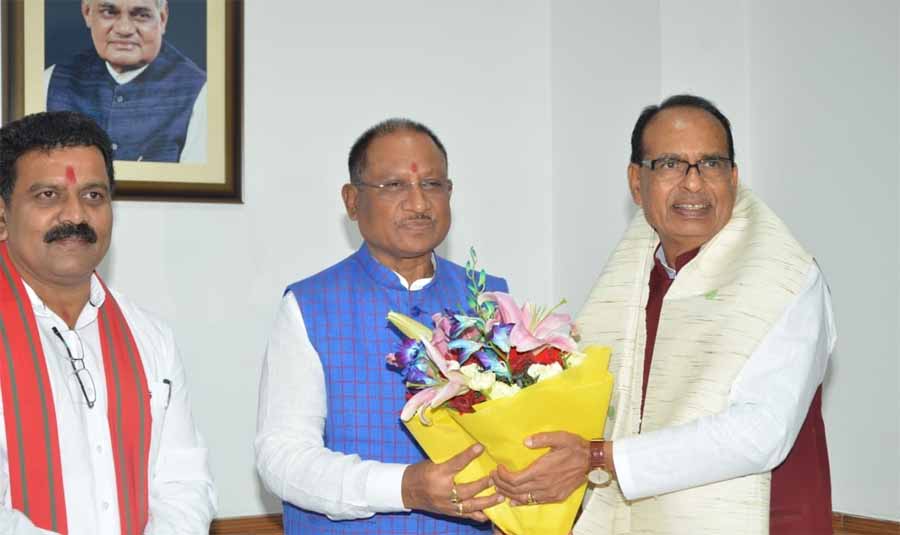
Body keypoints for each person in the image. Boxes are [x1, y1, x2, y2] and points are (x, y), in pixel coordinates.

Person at [492, 95, 836, 535]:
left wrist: (600, 457)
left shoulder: (785, 278)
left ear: (733, 178)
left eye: (711, 164)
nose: (693, 183)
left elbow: (760, 433)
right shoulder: (632, 279)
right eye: (671, 164)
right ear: (637, 183)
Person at [255, 118, 509, 534]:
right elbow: (282, 458)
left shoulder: (489, 300)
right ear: (353, 201)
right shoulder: (310, 305)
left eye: (432, 185)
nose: (419, 203)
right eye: (394, 186)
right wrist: (404, 488)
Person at [0, 111, 216, 534]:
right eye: (48, 195)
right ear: (3, 215)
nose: (75, 215)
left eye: (93, 195)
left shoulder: (150, 337)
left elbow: (184, 483)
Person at [45, 0, 207, 163]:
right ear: (87, 13)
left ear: (162, 18)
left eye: (141, 15)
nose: (124, 29)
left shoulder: (201, 94)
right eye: (109, 12)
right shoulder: (51, 81)